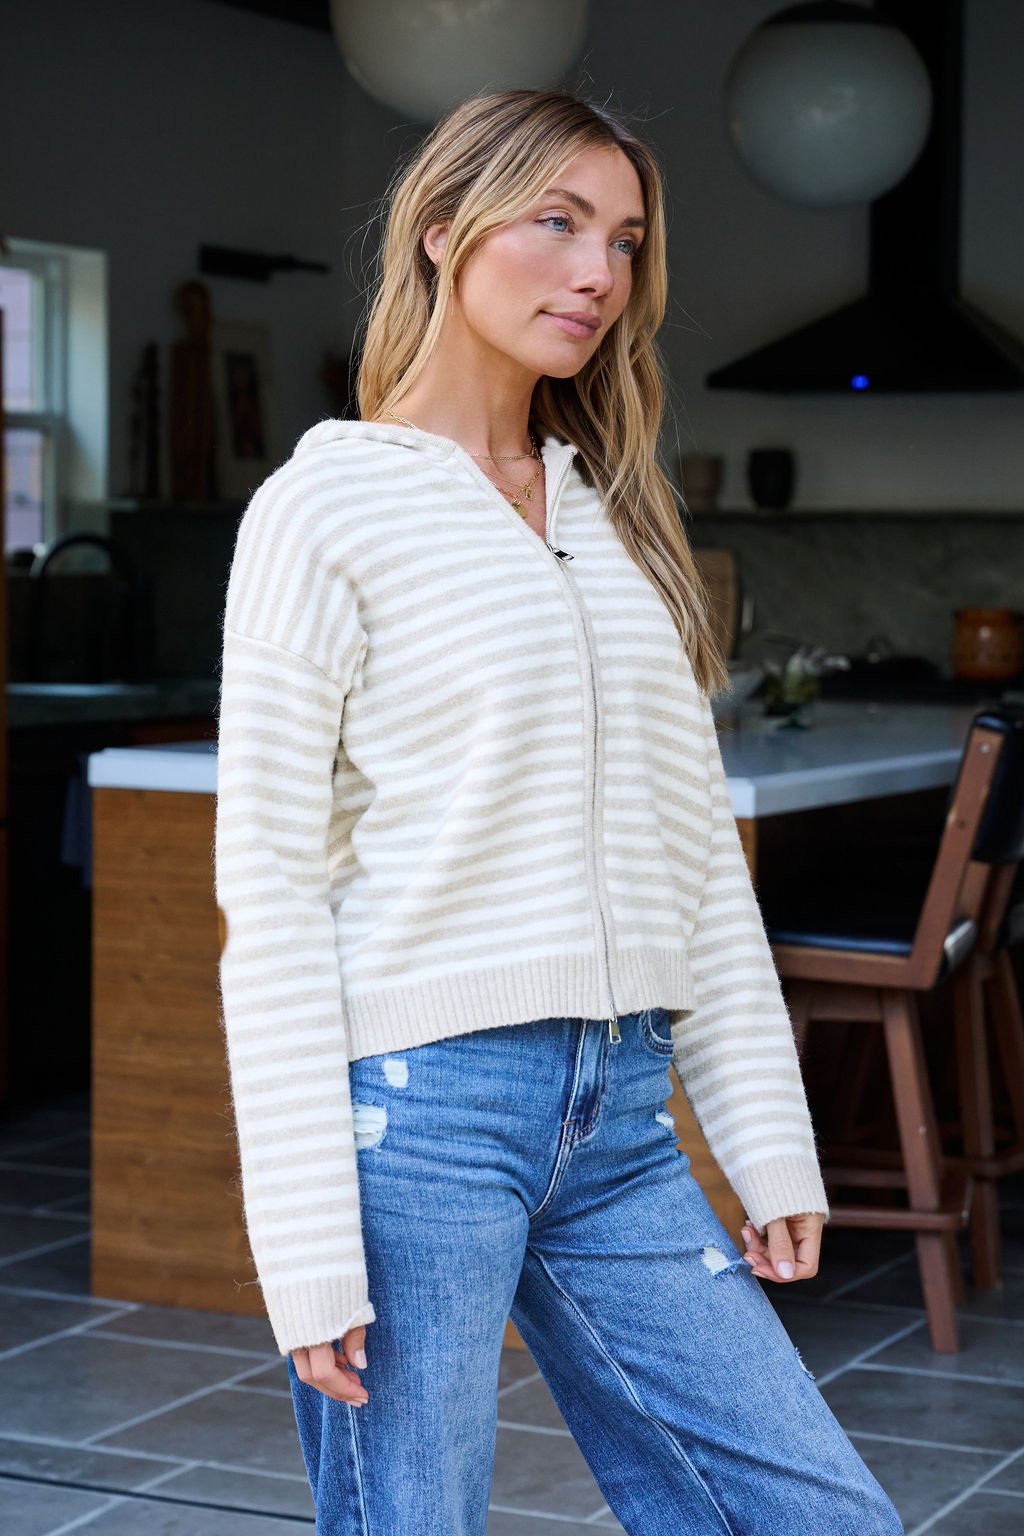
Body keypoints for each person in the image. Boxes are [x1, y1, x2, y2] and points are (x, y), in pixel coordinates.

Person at [214, 87, 904, 1535]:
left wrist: (767, 1133)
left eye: (628, 239)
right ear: (445, 234)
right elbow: (271, 896)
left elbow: (695, 863)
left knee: (819, 1514)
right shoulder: (322, 510)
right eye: (560, 222)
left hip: (624, 1120)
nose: (602, 272)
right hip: (420, 1125)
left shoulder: (618, 522)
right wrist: (302, 1243)